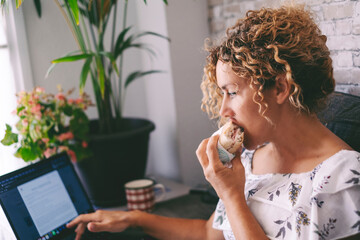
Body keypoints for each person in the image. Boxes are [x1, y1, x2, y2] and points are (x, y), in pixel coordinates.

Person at [67, 4, 360, 240]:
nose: (223, 109)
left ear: (281, 88)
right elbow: (210, 233)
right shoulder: (249, 158)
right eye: (222, 93)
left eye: (232, 92)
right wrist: (132, 219)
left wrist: (232, 195)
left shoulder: (344, 182)